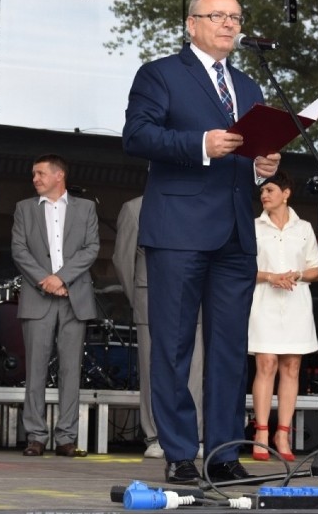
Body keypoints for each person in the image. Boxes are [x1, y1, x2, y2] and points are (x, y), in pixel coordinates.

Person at [122, 0, 281, 484]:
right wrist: (202, 144)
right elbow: (137, 136)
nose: (230, 24)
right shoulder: (161, 74)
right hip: (179, 231)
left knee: (231, 349)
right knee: (172, 347)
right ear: (191, 23)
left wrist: (262, 167)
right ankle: (177, 452)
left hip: (235, 233)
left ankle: (224, 452)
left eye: (236, 17)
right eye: (218, 15)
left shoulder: (250, 86)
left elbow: (253, 156)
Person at [11, 154, 99, 458]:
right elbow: (19, 250)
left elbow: (92, 248)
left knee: (70, 370)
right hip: (39, 298)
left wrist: (60, 278)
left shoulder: (86, 208)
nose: (34, 179)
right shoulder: (24, 208)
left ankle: (66, 438)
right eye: (33, 174)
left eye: (40, 173)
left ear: (58, 175)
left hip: (74, 297)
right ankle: (35, 436)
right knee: (35, 370)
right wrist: (45, 280)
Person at [112, 196, 204, 460]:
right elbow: (122, 259)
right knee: (152, 367)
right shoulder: (134, 207)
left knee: (194, 369)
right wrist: (136, 297)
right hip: (149, 294)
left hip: (191, 295)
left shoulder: (195, 203)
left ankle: (193, 435)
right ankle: (155, 435)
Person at [248, 172, 318, 462]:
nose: (264, 195)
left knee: (292, 367)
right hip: (264, 300)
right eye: (262, 191)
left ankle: (283, 433)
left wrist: (298, 274)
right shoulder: (253, 227)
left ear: (286, 193)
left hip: (296, 302)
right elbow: (243, 268)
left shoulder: (304, 228)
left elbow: (315, 268)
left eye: (270, 189)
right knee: (265, 363)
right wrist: (270, 276)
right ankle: (262, 432)